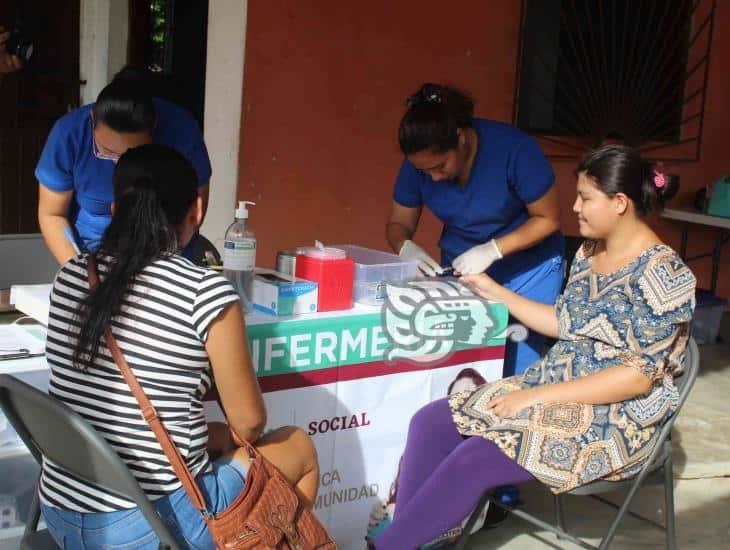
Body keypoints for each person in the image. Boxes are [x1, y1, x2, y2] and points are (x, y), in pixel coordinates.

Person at [370, 145, 696, 549]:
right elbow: (565, 324)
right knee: (431, 422)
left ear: (620, 203)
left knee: (475, 458)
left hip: (612, 416)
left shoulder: (665, 276)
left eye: (585, 198)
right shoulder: (591, 253)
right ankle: (410, 539)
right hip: (557, 383)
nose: (574, 208)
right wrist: (493, 290)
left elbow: (635, 378)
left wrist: (535, 398)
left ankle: (392, 546)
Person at [39, 144, 319, 549]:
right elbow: (249, 424)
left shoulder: (71, 276)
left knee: (218, 436)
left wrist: (214, 434)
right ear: (197, 211)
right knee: (297, 446)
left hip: (61, 514)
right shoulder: (203, 292)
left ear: (115, 209)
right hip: (148, 529)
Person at [386, 83, 564, 377]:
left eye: (440, 166)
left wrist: (494, 249)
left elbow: (548, 219)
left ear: (461, 138)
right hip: (462, 270)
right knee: (461, 365)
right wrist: (406, 248)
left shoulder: (514, 150)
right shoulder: (419, 165)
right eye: (423, 171)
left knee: (514, 367)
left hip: (527, 270)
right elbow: (398, 223)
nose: (433, 177)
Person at [36, 66, 212, 265]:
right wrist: (80, 271)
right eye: (107, 152)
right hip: (92, 254)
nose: (119, 165)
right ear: (92, 119)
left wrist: (165, 272)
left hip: (167, 255)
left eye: (131, 155)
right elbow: (52, 214)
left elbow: (196, 206)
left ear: (154, 127)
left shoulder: (182, 131)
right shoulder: (69, 134)